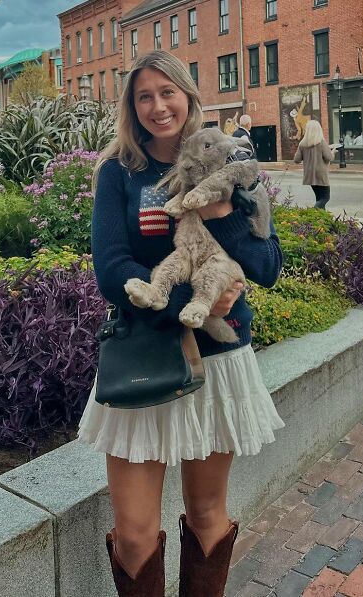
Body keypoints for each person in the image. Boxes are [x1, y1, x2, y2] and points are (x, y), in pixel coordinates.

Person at [78, 50, 283, 597]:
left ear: (189, 95)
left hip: (217, 363)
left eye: (167, 92)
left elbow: (267, 267)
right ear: (131, 105)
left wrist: (223, 217)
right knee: (136, 534)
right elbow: (111, 269)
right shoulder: (120, 172)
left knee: (208, 512)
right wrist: (188, 303)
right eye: (144, 96)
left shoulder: (232, 160)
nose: (157, 106)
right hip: (144, 354)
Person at [293, 119, 335, 209]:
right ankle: (314, 211)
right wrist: (333, 152)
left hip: (309, 175)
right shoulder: (321, 142)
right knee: (325, 198)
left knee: (319, 198)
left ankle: (322, 219)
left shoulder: (302, 144)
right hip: (321, 174)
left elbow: (296, 160)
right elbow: (329, 157)